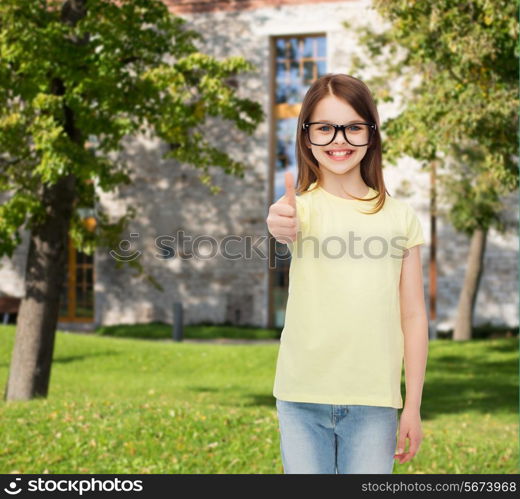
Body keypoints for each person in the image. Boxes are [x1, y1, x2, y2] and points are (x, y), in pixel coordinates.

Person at [266, 73, 428, 474]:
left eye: (353, 127)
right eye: (324, 128)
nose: (339, 140)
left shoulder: (400, 217)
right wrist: (278, 221)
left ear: (371, 134)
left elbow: (413, 316)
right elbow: (281, 224)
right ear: (306, 137)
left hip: (374, 403)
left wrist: (413, 406)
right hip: (301, 397)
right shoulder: (297, 210)